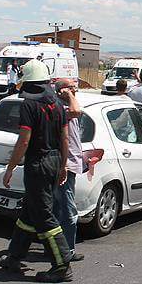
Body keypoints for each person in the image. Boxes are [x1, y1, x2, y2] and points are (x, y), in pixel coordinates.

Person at [0, 59, 73, 282]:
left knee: (44, 216)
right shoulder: (57, 104)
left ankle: (62, 265)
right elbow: (64, 137)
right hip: (53, 161)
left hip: (38, 164)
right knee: (30, 212)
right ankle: (14, 256)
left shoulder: (29, 106)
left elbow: (24, 140)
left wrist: (10, 168)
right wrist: (63, 165)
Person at [54, 78, 85, 262]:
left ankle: (61, 248)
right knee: (68, 211)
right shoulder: (62, 108)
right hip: (64, 164)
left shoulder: (66, 106)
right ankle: (67, 251)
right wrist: (68, 95)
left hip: (70, 163)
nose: (75, 93)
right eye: (72, 89)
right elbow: (76, 110)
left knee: (60, 208)